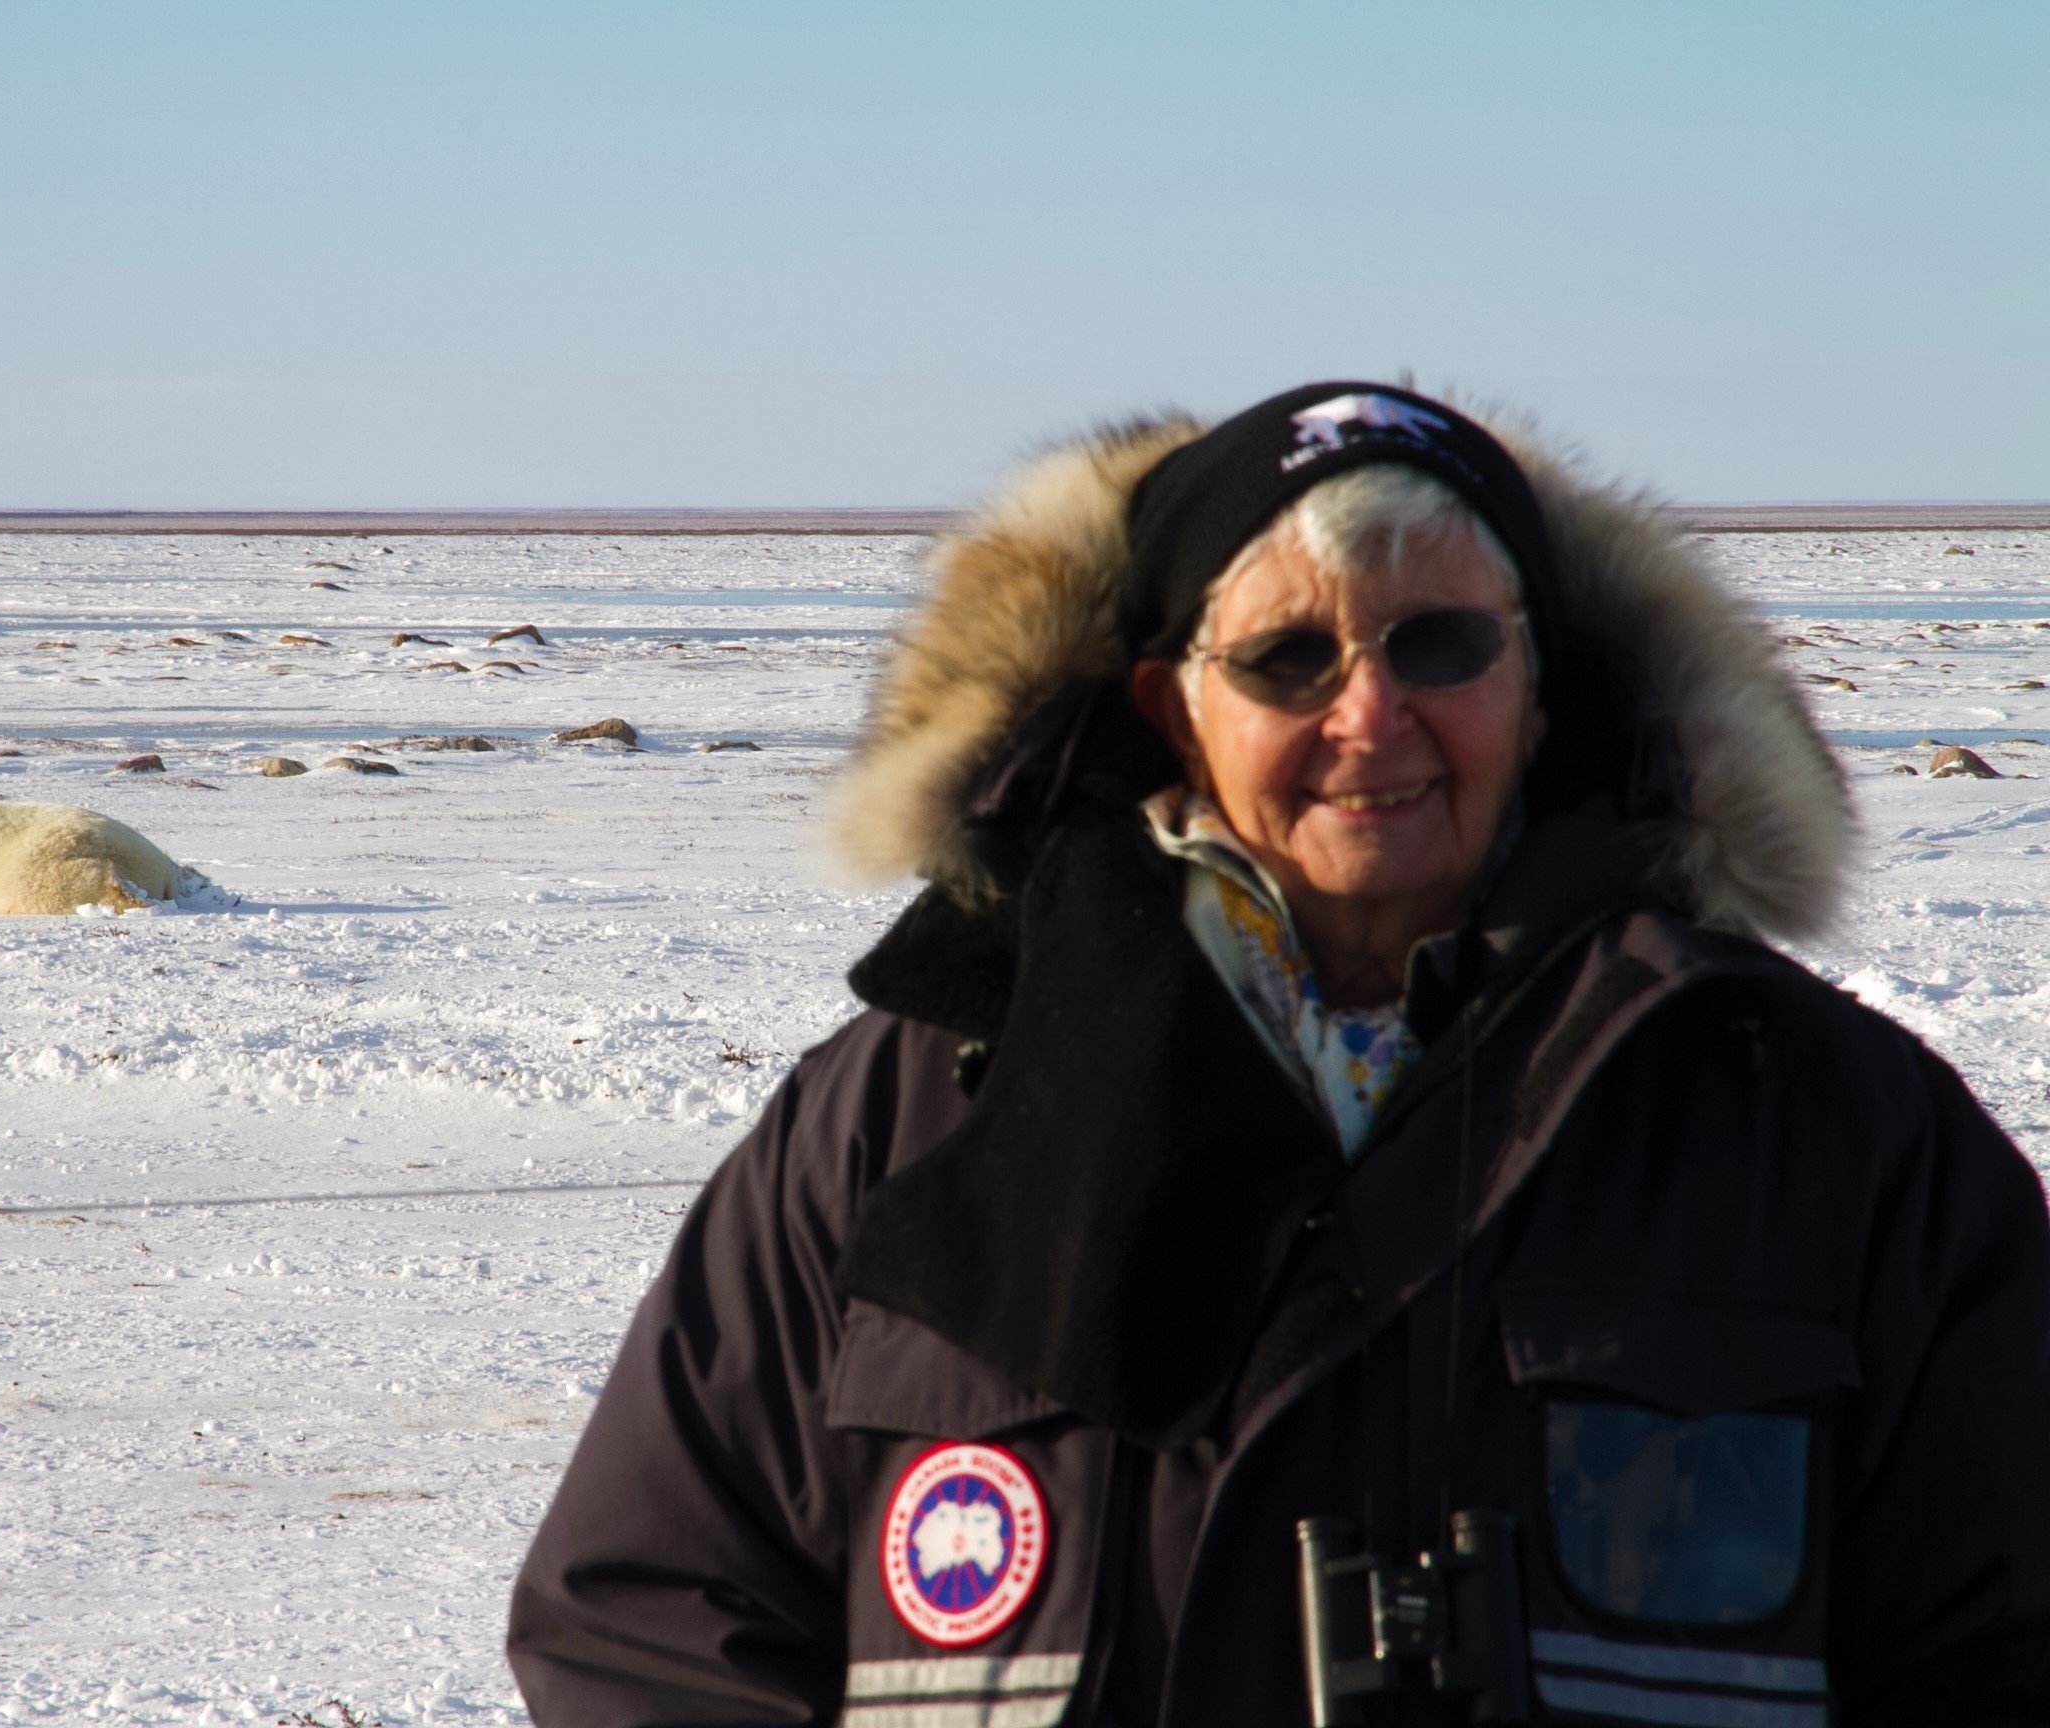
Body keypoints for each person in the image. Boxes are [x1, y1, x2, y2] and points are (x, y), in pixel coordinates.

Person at [506, 383, 2050, 1726]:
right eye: (1288, 659)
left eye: (1440, 645)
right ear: (1171, 702)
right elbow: (646, 1623)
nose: (1371, 715)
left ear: (1538, 683)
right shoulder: (904, 1118)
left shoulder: (1827, 1130)